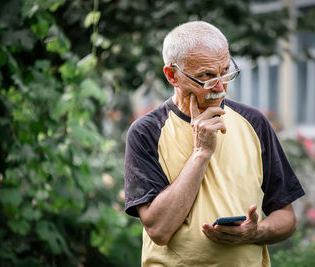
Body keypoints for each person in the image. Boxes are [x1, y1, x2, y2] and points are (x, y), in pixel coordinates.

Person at [124, 21, 305, 266]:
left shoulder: (254, 123)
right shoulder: (146, 132)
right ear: (172, 75)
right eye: (206, 77)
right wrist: (201, 153)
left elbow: (286, 218)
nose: (220, 88)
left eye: (225, 72)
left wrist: (254, 232)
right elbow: (159, 230)